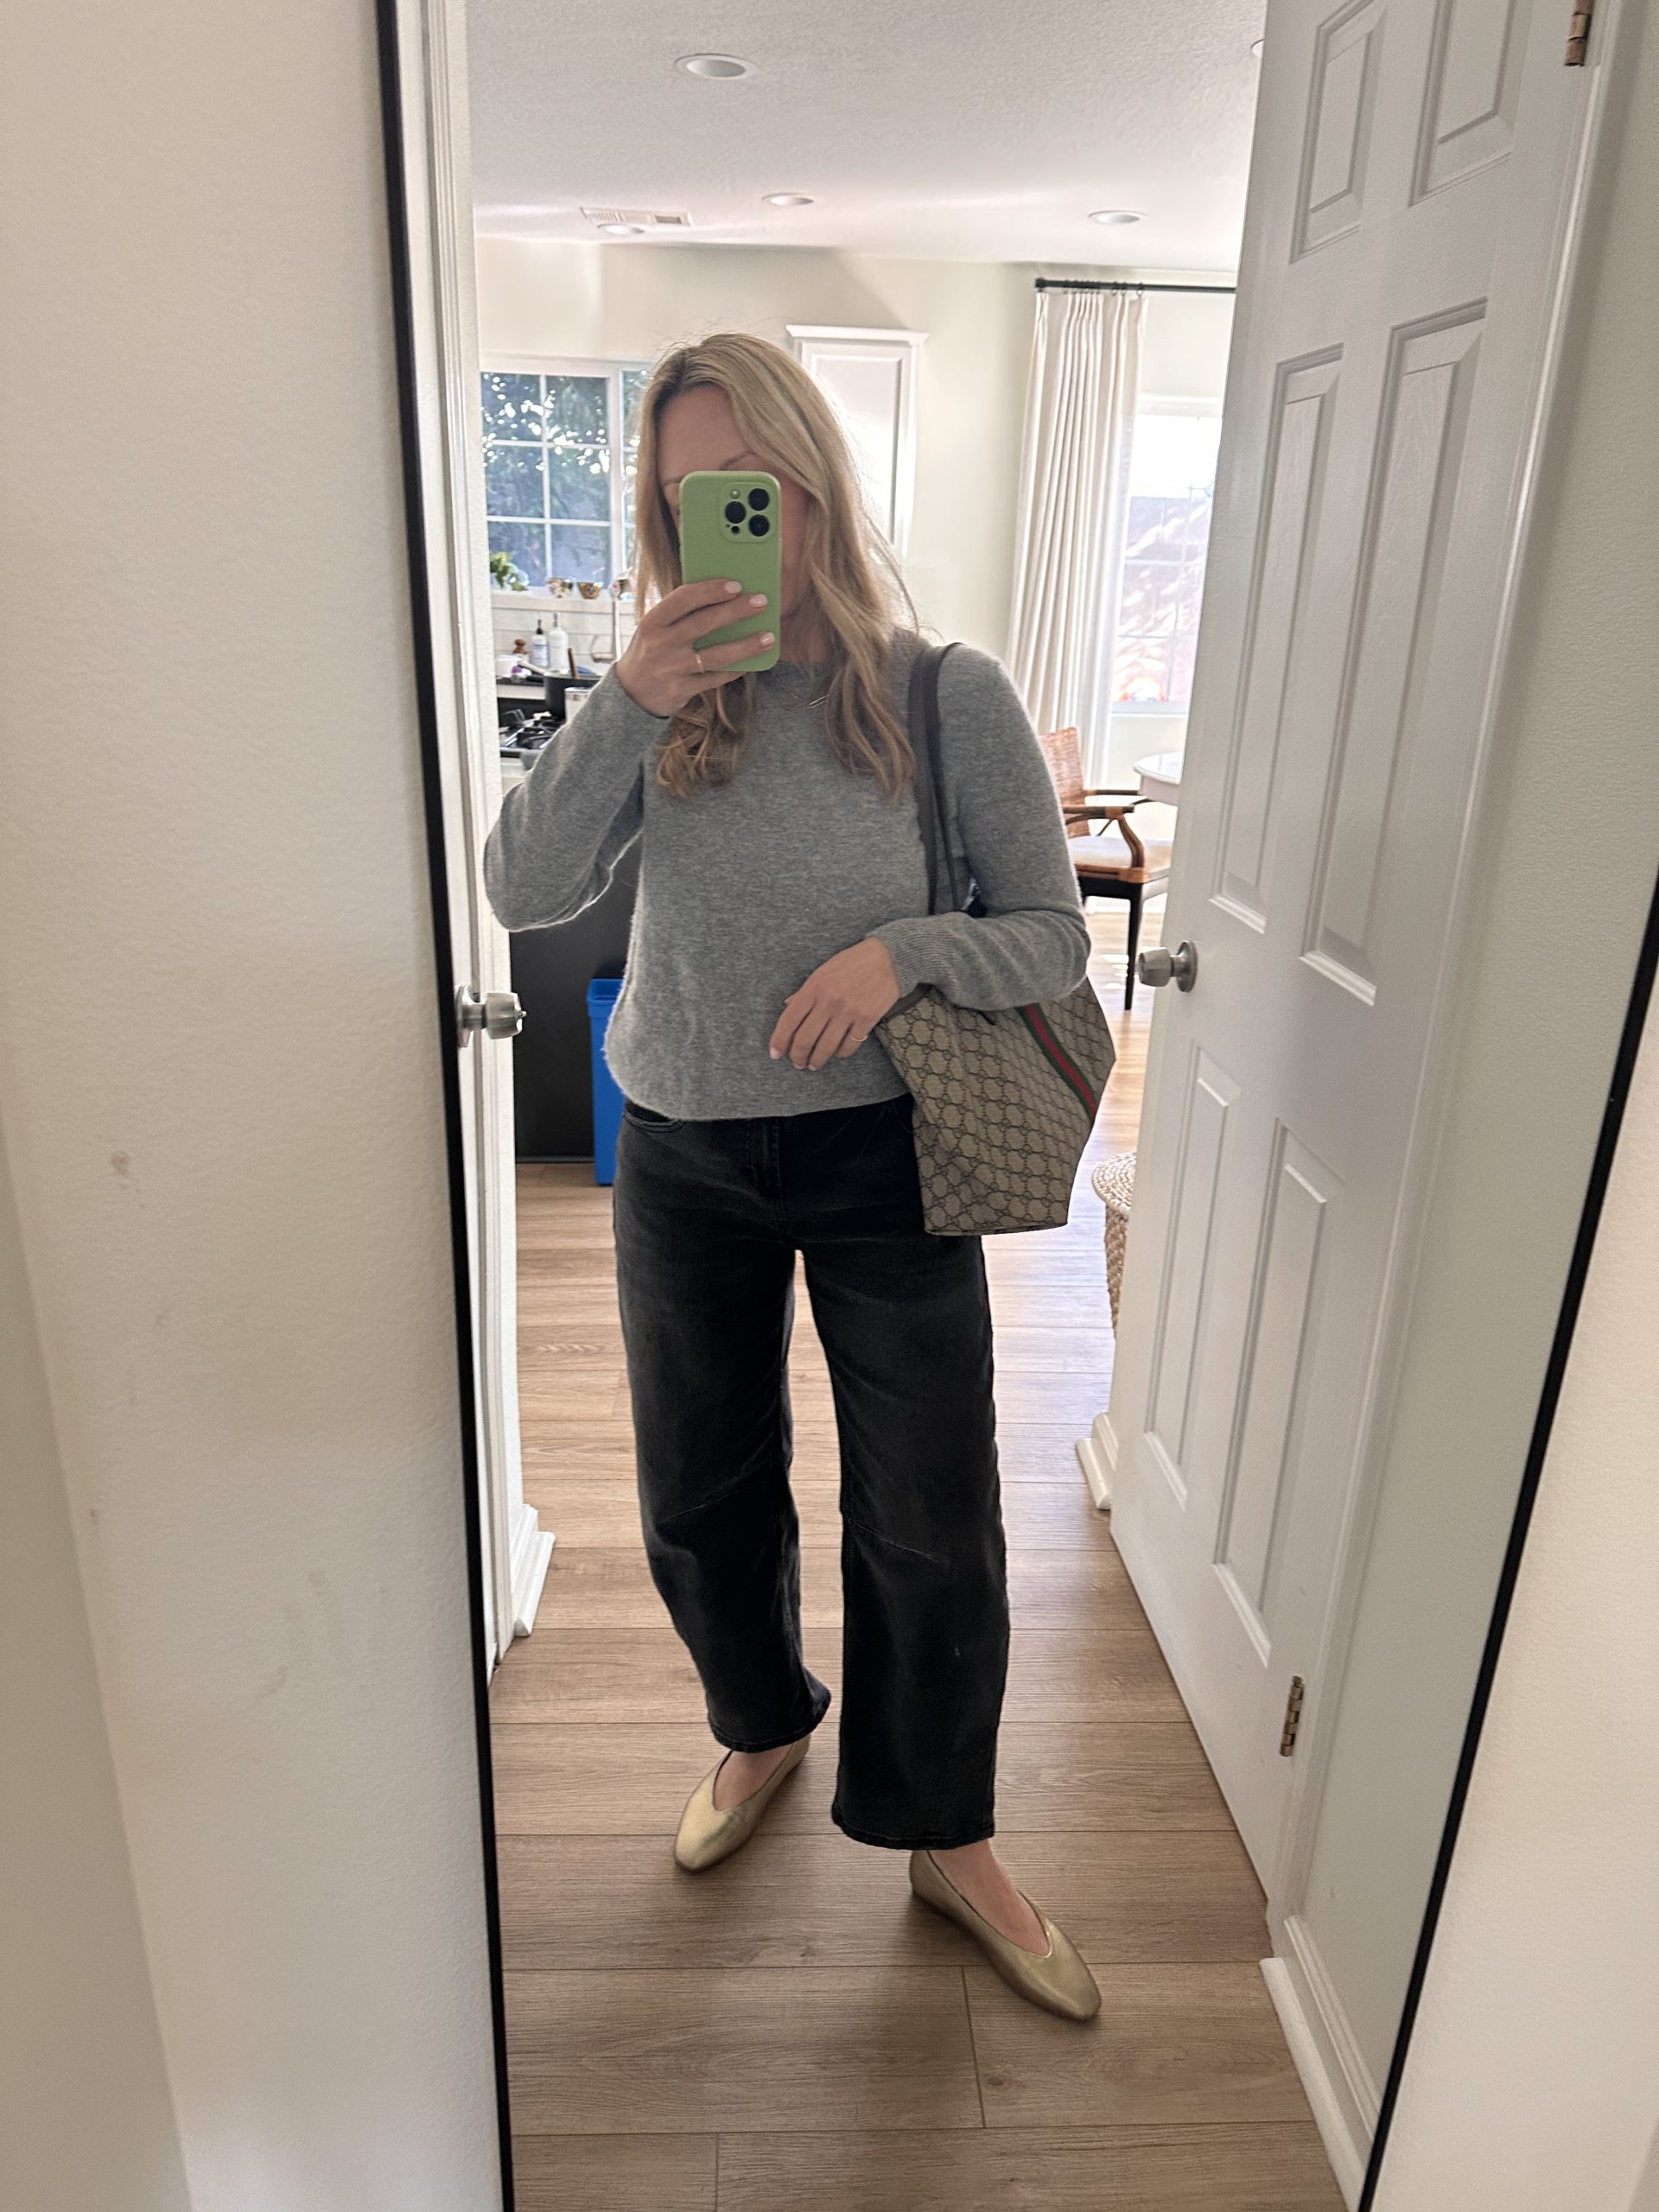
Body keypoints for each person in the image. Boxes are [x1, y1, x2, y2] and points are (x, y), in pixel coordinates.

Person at [485, 332, 1099, 2020]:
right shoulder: (661, 702)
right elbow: (521, 889)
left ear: (814, 483)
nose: (725, 522)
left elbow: (1050, 935)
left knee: (930, 1504)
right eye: (688, 496)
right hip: (681, 1148)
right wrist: (627, 698)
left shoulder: (942, 693)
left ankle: (945, 1829)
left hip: (887, 1145)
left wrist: (904, 952)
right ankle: (759, 1725)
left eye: (749, 485)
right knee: (699, 1486)